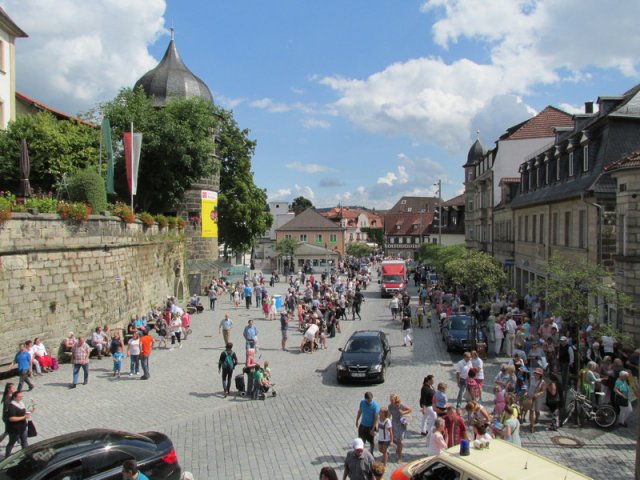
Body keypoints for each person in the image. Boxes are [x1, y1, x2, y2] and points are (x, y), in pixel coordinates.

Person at [5, 390, 30, 457]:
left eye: (22, 396)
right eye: (19, 397)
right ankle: (7, 456)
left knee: (24, 441)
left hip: (23, 427)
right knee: (11, 443)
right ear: (14, 397)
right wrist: (24, 417)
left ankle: (27, 455)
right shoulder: (11, 406)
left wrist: (30, 410)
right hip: (15, 429)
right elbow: (12, 418)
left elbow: (24, 411)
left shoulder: (21, 403)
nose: (21, 398)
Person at [388, 393, 412, 463]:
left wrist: (403, 412)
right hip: (394, 423)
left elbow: (410, 409)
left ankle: (400, 457)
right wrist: (387, 422)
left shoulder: (401, 405)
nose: (391, 402)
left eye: (392, 400)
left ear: (395, 400)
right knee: (393, 439)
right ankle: (399, 447)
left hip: (401, 424)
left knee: (399, 441)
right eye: (390, 400)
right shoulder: (390, 406)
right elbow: (389, 415)